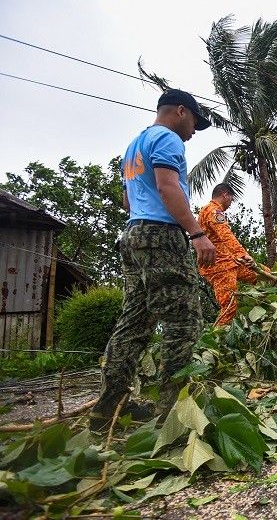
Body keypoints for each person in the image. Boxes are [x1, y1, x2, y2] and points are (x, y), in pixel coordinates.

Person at [90, 89, 215, 429]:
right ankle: (173, 412)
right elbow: (167, 187)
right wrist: (196, 233)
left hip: (133, 235)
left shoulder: (134, 146)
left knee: (134, 321)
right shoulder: (169, 139)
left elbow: (130, 201)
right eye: (193, 123)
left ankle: (108, 411)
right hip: (162, 235)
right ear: (180, 111)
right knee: (183, 321)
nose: (192, 132)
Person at [198, 183, 268, 326]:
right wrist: (243, 255)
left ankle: (263, 312)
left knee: (265, 274)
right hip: (220, 267)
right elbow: (226, 235)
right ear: (225, 195)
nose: (230, 203)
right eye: (231, 199)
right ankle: (216, 341)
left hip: (231, 262)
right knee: (229, 306)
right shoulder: (212, 211)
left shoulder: (211, 211)